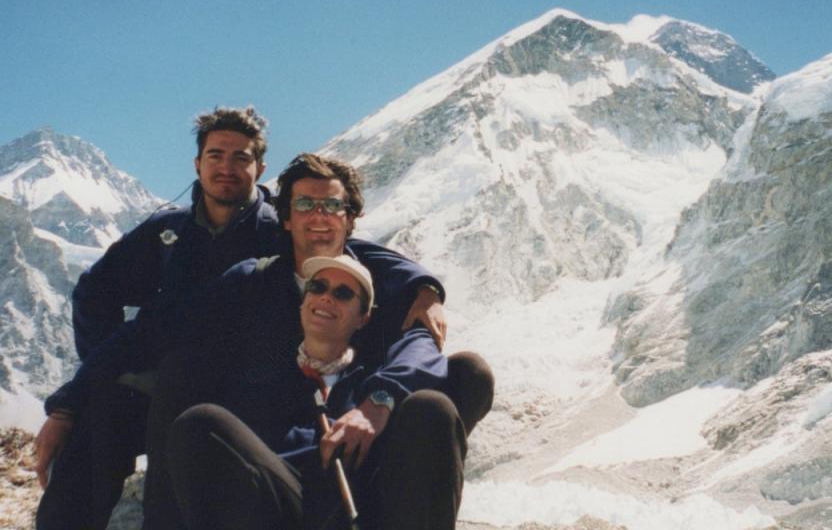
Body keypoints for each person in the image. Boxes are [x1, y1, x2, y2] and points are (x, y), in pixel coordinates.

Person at [33, 109, 449, 530]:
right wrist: (74, 396)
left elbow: (351, 251)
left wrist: (423, 286)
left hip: (257, 389)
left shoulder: (280, 232)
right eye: (216, 155)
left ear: (259, 169)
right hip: (183, 377)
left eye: (240, 158)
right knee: (103, 411)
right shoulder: (172, 232)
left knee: (450, 390)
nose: (226, 168)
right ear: (197, 164)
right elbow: (116, 306)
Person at [142, 154, 493, 529]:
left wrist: (379, 400)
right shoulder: (250, 284)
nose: (320, 216)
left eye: (332, 205)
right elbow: (170, 333)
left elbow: (421, 340)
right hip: (281, 476)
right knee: (191, 396)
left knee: (449, 390)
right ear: (287, 218)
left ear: (349, 219)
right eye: (306, 204)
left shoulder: (380, 283)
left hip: (367, 465)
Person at [167, 255, 456, 529]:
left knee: (433, 406)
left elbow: (427, 353)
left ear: (363, 318)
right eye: (316, 287)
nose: (326, 297)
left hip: (367, 509)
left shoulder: (373, 378)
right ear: (303, 303)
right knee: (202, 422)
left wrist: (378, 401)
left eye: (343, 294)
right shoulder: (261, 376)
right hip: (286, 504)